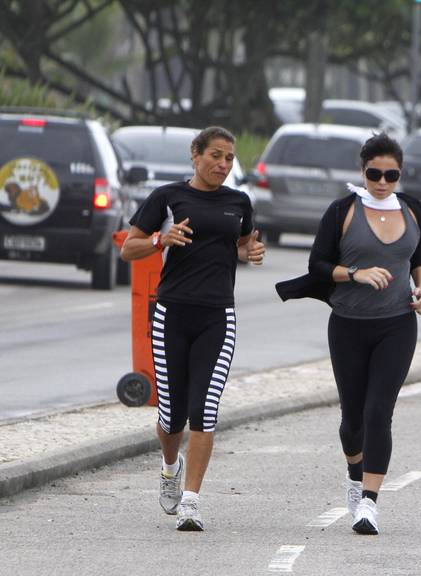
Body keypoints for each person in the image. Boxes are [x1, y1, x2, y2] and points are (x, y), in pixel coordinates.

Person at [276, 132, 421, 535]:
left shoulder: (412, 209)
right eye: (374, 173)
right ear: (362, 171)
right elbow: (317, 265)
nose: (382, 181)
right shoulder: (343, 210)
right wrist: (356, 274)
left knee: (380, 412)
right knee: (353, 420)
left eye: (391, 174)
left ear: (400, 174)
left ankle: (369, 504)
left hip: (397, 324)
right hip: (348, 325)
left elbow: (419, 256)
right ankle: (354, 474)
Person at [121, 126, 265, 531]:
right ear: (195, 154)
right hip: (172, 315)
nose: (222, 164)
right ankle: (170, 468)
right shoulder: (167, 198)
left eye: (229, 158)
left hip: (218, 316)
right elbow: (128, 248)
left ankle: (191, 501)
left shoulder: (239, 202)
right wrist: (160, 241)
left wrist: (250, 250)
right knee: (172, 416)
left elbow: (237, 244)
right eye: (215, 155)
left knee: (205, 410)